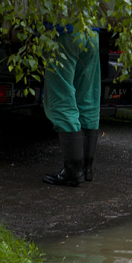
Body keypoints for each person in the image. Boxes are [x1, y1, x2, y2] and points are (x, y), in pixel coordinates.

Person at [42, 25, 102, 187]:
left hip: (64, 34)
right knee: (88, 97)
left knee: (62, 96)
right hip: (91, 34)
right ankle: (86, 168)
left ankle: (73, 171)